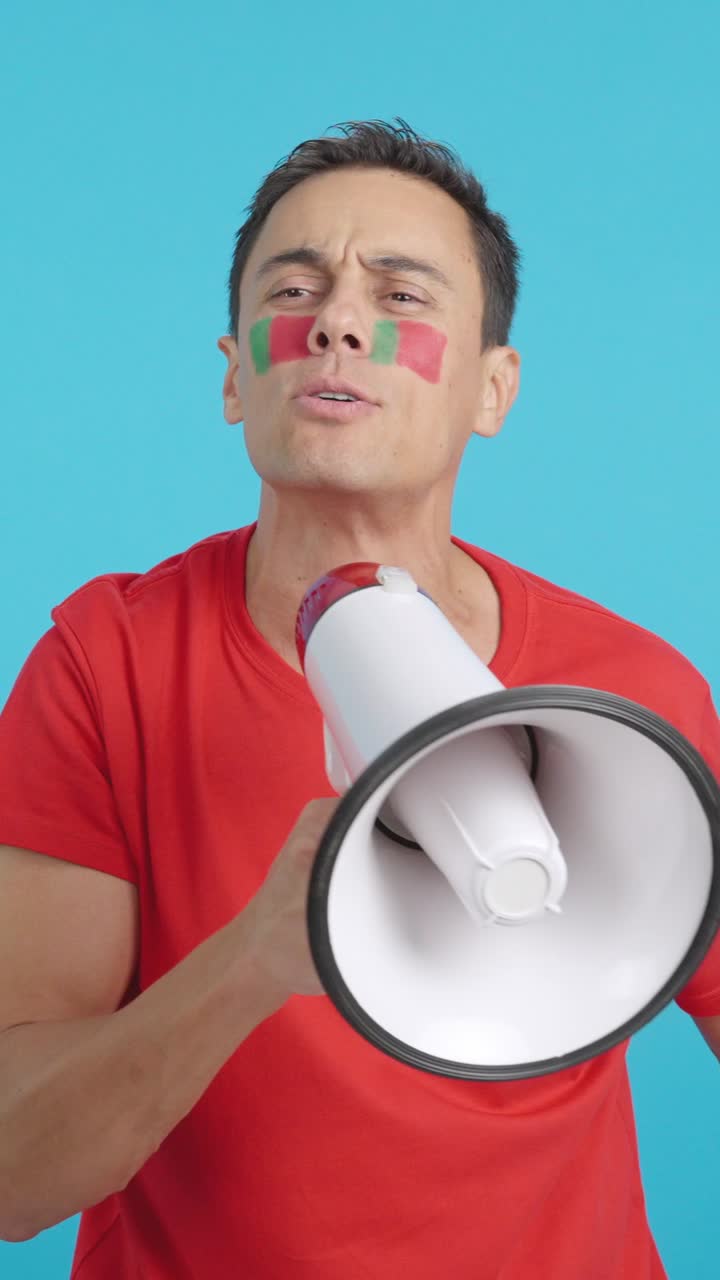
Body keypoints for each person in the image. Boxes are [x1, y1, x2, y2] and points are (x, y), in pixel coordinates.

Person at [0, 117, 718, 1280]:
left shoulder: (633, 695)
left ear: (494, 388)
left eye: (403, 294)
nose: (337, 320)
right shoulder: (104, 663)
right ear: (239, 373)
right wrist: (256, 960)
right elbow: (12, 1173)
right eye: (296, 286)